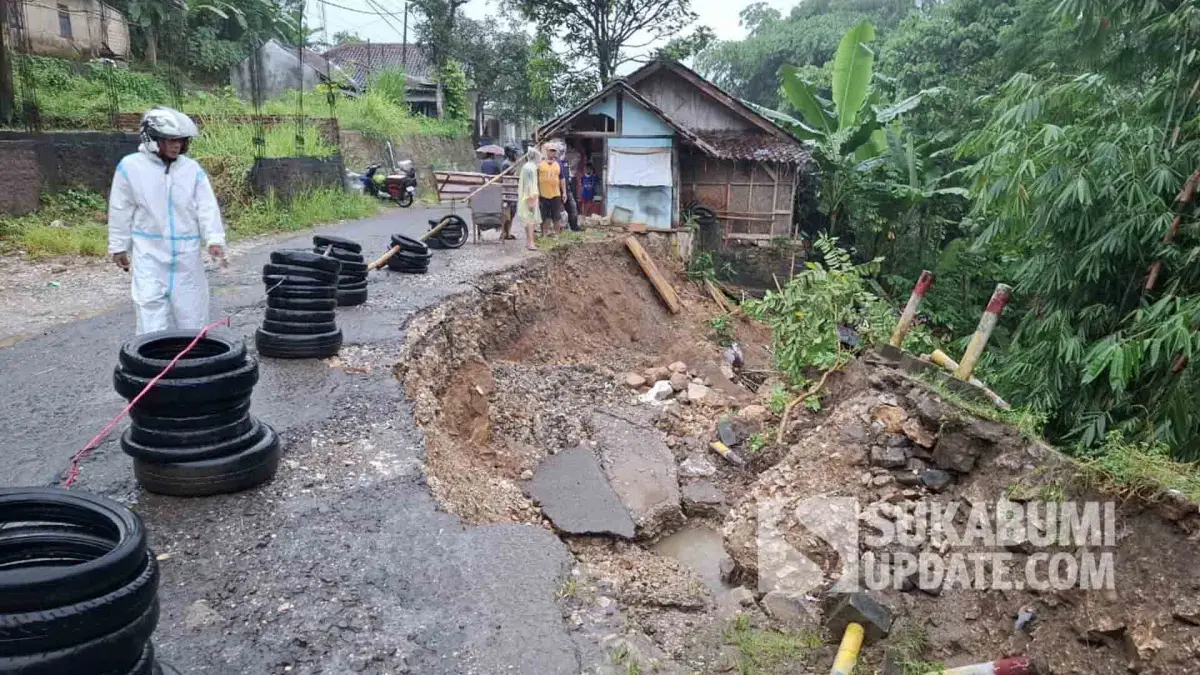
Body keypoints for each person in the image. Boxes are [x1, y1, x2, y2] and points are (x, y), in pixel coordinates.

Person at [108, 106, 226, 335]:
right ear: (152, 139)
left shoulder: (191, 170)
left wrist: (214, 239)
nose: (177, 145)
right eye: (171, 140)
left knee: (193, 316)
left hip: (186, 255)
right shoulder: (131, 167)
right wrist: (118, 246)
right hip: (150, 254)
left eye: (181, 141)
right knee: (150, 314)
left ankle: (195, 364)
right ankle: (151, 365)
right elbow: (120, 208)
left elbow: (206, 206)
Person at [516, 148, 543, 250]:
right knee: (531, 221)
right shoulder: (530, 168)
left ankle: (528, 241)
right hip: (530, 196)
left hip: (527, 195)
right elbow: (529, 185)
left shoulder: (527, 166)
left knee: (528, 220)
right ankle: (531, 242)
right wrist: (531, 198)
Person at [538, 144, 566, 235]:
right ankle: (544, 235)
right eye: (551, 150)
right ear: (547, 151)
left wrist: (564, 192)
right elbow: (536, 178)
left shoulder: (559, 164)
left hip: (556, 194)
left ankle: (557, 235)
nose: (552, 152)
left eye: (554, 151)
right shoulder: (540, 164)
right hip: (543, 194)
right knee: (544, 216)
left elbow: (562, 179)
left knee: (556, 216)